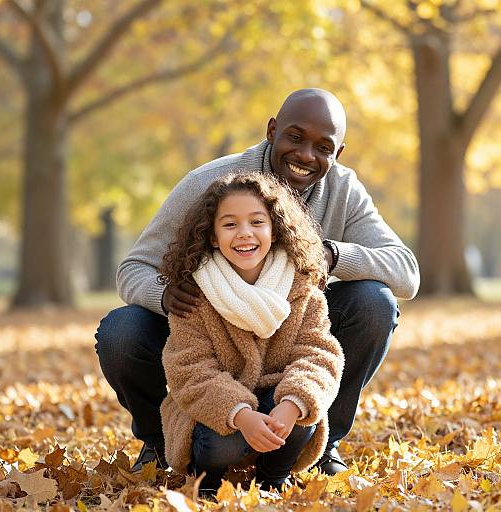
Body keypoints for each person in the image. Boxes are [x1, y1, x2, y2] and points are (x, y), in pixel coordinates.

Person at [95, 88, 420, 475]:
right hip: (206, 328)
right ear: (272, 131)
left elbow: (406, 272)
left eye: (323, 147)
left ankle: (322, 442)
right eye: (295, 137)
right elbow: (133, 268)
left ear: (338, 153)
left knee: (375, 302)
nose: (305, 155)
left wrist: (330, 255)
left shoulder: (343, 190)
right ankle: (159, 443)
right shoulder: (212, 183)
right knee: (121, 331)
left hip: (289, 335)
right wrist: (165, 296)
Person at [159, 172, 344, 492]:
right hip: (218, 408)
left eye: (257, 222)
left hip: (276, 398)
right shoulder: (196, 292)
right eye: (230, 224)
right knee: (224, 444)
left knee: (304, 414)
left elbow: (319, 354)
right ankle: (209, 482)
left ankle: (273, 478)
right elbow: (188, 369)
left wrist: (292, 403)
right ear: (213, 236)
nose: (244, 233)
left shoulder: (301, 287)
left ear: (275, 229)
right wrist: (241, 414)